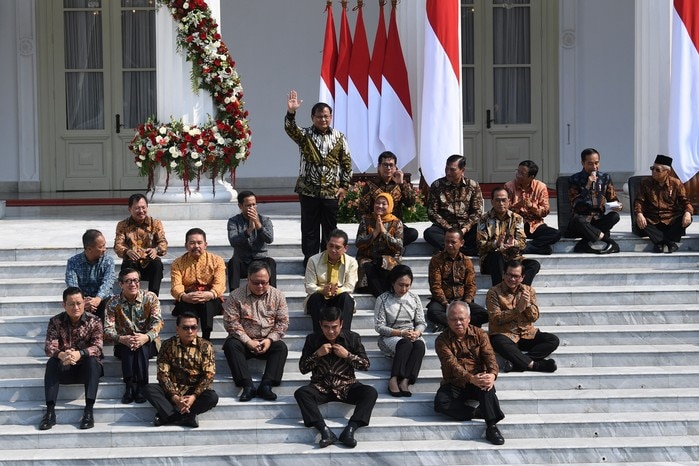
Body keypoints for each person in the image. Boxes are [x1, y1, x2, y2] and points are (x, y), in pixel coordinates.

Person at [285, 90, 353, 267]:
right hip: (309, 190)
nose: (323, 120)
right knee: (309, 229)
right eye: (319, 116)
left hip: (331, 192)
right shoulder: (305, 135)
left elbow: (346, 162)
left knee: (330, 229)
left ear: (331, 117)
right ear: (312, 117)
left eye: (326, 116)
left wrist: (344, 186)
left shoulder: (339, 137)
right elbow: (290, 129)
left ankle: (329, 261)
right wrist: (291, 112)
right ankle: (310, 262)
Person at [294, 306, 378, 449]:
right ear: (320, 324)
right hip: (321, 386)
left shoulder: (352, 338)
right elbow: (303, 368)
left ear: (341, 324)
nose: (331, 331)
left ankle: (350, 429)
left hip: (347, 386)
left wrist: (347, 355)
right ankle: (324, 431)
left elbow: (365, 365)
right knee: (301, 393)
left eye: (334, 327)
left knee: (370, 392)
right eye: (326, 327)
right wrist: (317, 354)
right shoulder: (312, 339)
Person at [433, 301, 505, 446]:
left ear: (469, 319)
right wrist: (470, 378)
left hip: (478, 379)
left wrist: (492, 375)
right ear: (448, 320)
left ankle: (491, 426)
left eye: (461, 319)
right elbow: (451, 365)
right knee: (441, 403)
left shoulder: (480, 334)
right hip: (455, 382)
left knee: (486, 384)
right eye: (453, 319)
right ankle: (478, 412)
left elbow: (490, 357)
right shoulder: (442, 340)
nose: (458, 323)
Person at [223, 261, 289, 402]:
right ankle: (247, 385)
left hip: (267, 341)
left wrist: (269, 340)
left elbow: (282, 323)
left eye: (264, 283)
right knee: (230, 345)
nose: (260, 286)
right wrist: (248, 341)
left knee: (281, 347)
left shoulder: (278, 296)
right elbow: (231, 323)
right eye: (256, 282)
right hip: (244, 341)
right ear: (248, 279)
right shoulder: (235, 296)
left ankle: (267, 384)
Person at [39, 286, 104, 431]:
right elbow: (49, 347)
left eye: (79, 303)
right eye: (71, 304)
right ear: (64, 305)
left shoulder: (94, 321)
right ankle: (50, 412)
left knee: (93, 361)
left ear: (84, 303)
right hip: (66, 367)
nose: (76, 307)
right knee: (51, 363)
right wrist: (63, 355)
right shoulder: (56, 321)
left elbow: (98, 347)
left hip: (87, 370)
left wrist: (79, 354)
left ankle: (88, 411)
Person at [142, 311, 219, 428]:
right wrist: (175, 397)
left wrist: (193, 397)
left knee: (212, 397)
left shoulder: (205, 346)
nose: (190, 331)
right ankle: (187, 417)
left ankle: (168, 416)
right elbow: (162, 374)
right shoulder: (168, 345)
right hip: (172, 390)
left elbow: (208, 375)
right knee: (149, 389)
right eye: (186, 327)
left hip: (193, 392)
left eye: (193, 327)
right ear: (177, 329)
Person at [486, 260, 559, 373]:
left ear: (522, 277)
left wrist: (528, 305)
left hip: (526, 334)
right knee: (497, 341)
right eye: (509, 275)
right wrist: (517, 310)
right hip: (505, 334)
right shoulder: (493, 292)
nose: (512, 279)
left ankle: (518, 363)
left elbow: (534, 317)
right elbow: (496, 318)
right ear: (504, 274)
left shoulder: (528, 291)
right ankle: (535, 365)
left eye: (516, 276)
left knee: (553, 340)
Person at [104, 268, 163, 404]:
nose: (133, 284)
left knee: (141, 346)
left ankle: (141, 386)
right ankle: (130, 385)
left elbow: (158, 322)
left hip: (149, 342)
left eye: (136, 280)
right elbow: (107, 329)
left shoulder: (150, 298)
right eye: (128, 281)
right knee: (129, 345)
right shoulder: (113, 303)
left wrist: (145, 337)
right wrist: (122, 339)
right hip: (123, 344)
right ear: (121, 284)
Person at [374, 265, 426, 397]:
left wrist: (417, 332)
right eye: (400, 285)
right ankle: (394, 379)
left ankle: (406, 381)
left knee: (419, 345)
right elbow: (379, 327)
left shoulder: (414, 298)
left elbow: (421, 322)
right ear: (393, 283)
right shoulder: (383, 299)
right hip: (390, 336)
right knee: (405, 344)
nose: (404, 289)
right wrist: (401, 333)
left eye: (407, 285)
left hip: (411, 334)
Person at [426, 228, 488, 331]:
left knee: (484, 315)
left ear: (461, 243)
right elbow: (435, 286)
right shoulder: (436, 260)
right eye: (447, 241)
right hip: (443, 302)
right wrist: (446, 304)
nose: (449, 245)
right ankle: (461, 324)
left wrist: (465, 303)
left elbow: (471, 285)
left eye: (453, 242)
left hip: (462, 300)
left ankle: (451, 324)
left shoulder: (467, 261)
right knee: (433, 313)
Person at [477, 187, 541, 287]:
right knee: (497, 256)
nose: (501, 203)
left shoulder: (517, 218)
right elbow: (480, 244)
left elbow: (522, 243)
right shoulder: (484, 219)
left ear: (509, 201)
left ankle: (519, 290)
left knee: (534, 264)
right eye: (497, 200)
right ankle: (499, 290)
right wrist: (496, 244)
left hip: (512, 259)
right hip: (491, 259)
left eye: (504, 200)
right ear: (492, 201)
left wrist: (514, 243)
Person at [170, 228, 226, 340]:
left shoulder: (217, 260)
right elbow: (176, 285)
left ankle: (206, 339)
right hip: (188, 298)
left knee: (208, 303)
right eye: (192, 243)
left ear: (205, 245)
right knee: (185, 304)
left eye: (199, 243)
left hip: (210, 298)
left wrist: (210, 294)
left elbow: (220, 284)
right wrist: (184, 296)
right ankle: (188, 340)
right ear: (186, 245)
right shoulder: (177, 263)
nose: (196, 246)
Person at [424, 154, 484, 256]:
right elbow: (432, 212)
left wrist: (465, 229)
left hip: (466, 229)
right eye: (446, 168)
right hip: (445, 229)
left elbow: (477, 212)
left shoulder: (473, 185)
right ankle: (462, 250)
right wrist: (449, 229)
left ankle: (451, 249)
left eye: (452, 170)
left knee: (482, 231)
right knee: (429, 233)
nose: (448, 172)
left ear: (462, 170)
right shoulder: (437, 185)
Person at [634, 154, 693, 253]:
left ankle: (660, 243)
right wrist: (639, 214)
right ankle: (669, 243)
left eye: (657, 170)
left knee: (688, 218)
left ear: (667, 172)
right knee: (640, 223)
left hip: (670, 220)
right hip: (652, 220)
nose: (653, 172)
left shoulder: (676, 184)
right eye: (652, 168)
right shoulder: (645, 182)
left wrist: (688, 212)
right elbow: (639, 201)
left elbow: (685, 202)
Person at [568, 148, 623, 254]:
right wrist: (587, 186)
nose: (594, 167)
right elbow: (576, 203)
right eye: (590, 164)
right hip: (582, 219)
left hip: (598, 218)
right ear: (583, 163)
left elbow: (613, 198)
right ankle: (610, 242)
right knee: (578, 221)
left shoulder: (605, 177)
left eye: (596, 163)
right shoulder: (574, 179)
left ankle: (583, 244)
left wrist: (617, 205)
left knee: (615, 216)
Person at [358, 150, 419, 246]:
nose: (388, 168)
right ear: (379, 167)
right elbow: (362, 209)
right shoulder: (370, 185)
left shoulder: (400, 184)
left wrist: (402, 184)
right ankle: (387, 243)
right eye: (385, 165)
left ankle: (386, 244)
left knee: (412, 233)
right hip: (375, 225)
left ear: (396, 167)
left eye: (391, 165)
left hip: (394, 226)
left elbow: (410, 202)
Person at [304, 229, 358, 334]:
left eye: (337, 247)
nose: (333, 250)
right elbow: (309, 286)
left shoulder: (352, 262)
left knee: (346, 298)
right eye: (330, 246)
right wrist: (322, 290)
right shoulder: (313, 260)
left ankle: (344, 336)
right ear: (326, 245)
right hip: (320, 298)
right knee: (315, 297)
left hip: (339, 297)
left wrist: (335, 291)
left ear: (345, 248)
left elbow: (350, 287)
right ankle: (319, 337)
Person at [113, 193, 168, 295]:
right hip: (132, 263)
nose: (141, 211)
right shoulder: (122, 225)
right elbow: (117, 245)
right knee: (127, 264)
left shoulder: (155, 224)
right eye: (137, 208)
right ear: (130, 209)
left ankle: (153, 298)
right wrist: (127, 251)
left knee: (157, 264)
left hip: (149, 263)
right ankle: (129, 296)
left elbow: (163, 242)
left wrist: (156, 250)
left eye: (143, 207)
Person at [504, 160, 561, 255]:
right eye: (517, 171)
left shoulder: (541, 187)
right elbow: (504, 210)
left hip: (534, 224)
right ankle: (540, 248)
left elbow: (545, 211)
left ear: (531, 177)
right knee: (502, 234)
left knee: (555, 234)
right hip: (515, 224)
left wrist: (531, 206)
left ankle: (528, 247)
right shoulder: (509, 186)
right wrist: (518, 205)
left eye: (522, 174)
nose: (518, 175)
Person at [227, 190, 277, 291]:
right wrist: (248, 231)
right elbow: (233, 241)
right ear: (240, 206)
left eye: (254, 204)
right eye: (248, 205)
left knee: (271, 262)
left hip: (260, 260)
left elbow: (269, 239)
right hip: (243, 260)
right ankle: (234, 296)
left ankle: (272, 295)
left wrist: (258, 225)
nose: (252, 208)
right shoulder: (233, 221)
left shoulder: (265, 220)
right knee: (233, 262)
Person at [355, 193, 403, 297]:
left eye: (384, 204)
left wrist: (384, 232)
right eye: (377, 203)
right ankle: (382, 296)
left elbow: (398, 246)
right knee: (367, 265)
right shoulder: (366, 220)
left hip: (389, 257)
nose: (380, 206)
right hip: (368, 256)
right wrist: (375, 232)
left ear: (389, 206)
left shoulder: (396, 222)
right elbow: (359, 243)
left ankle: (382, 294)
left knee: (385, 263)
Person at [65, 229, 116, 321]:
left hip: (102, 299)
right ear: (89, 249)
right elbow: (72, 285)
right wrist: (83, 301)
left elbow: (108, 282)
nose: (105, 249)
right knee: (74, 302)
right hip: (82, 300)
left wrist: (98, 298)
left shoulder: (108, 261)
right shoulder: (73, 262)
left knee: (108, 303)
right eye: (101, 246)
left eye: (104, 245)